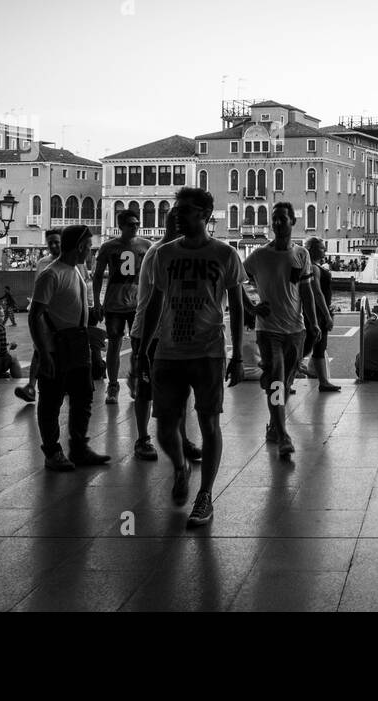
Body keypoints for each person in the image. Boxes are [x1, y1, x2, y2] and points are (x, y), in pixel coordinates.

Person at [137, 187, 245, 526]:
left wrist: (238, 354)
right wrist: (143, 350)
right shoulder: (163, 255)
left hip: (208, 351)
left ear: (204, 213)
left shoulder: (225, 254)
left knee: (209, 423)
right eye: (176, 210)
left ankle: (205, 496)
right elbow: (155, 303)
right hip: (168, 351)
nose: (176, 215)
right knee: (166, 428)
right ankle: (181, 466)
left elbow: (239, 307)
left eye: (184, 210)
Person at [244, 202, 322, 459]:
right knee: (277, 379)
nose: (277, 223)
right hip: (268, 331)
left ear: (292, 222)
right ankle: (283, 434)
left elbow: (306, 292)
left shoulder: (301, 255)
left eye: (283, 219)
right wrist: (252, 308)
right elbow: (233, 281)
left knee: (284, 383)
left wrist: (313, 322)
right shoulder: (258, 256)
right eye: (274, 219)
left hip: (296, 330)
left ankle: (273, 425)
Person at [29, 224, 111, 472]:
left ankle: (78, 446)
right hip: (57, 347)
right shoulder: (51, 275)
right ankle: (52, 451)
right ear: (79, 247)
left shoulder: (75, 270)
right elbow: (35, 316)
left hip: (77, 344)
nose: (91, 251)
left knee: (83, 395)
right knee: (51, 401)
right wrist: (44, 353)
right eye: (88, 247)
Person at [129, 212, 199, 463]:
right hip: (149, 332)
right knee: (145, 390)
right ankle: (142, 439)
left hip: (171, 333)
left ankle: (182, 438)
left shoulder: (177, 252)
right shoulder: (159, 253)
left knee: (180, 389)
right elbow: (157, 298)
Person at [93, 209, 152, 406]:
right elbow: (98, 275)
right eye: (130, 224)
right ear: (121, 227)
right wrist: (97, 302)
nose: (135, 227)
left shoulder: (146, 246)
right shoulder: (108, 247)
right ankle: (113, 385)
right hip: (114, 304)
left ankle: (134, 378)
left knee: (138, 347)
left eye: (137, 224)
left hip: (137, 304)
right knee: (114, 345)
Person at [14, 229, 62, 403]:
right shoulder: (42, 263)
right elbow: (38, 289)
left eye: (57, 241)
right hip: (45, 314)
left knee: (62, 351)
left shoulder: (74, 262)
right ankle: (31, 386)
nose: (54, 245)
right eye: (51, 243)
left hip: (64, 315)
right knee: (38, 349)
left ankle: (59, 385)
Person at [303, 237, 341, 392]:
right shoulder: (313, 267)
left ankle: (323, 381)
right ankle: (286, 377)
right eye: (321, 248)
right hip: (317, 313)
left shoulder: (315, 266)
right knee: (307, 347)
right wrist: (326, 315)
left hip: (319, 311)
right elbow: (317, 292)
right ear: (311, 249)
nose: (324, 250)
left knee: (319, 347)